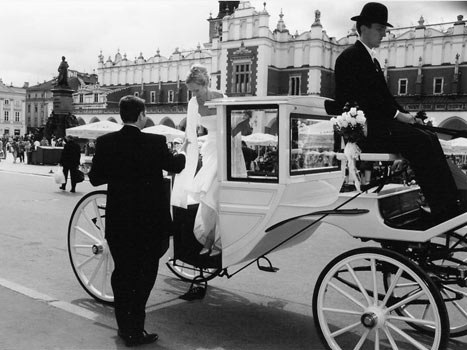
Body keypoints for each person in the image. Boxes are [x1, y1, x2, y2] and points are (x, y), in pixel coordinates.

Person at [334, 2, 461, 222]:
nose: (384, 33)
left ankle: (449, 202)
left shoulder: (369, 58)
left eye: (385, 29)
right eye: (380, 28)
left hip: (379, 126)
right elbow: (364, 100)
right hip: (367, 131)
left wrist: (410, 117)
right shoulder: (351, 57)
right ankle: (442, 206)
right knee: (420, 142)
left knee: (428, 136)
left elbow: (386, 98)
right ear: (363, 27)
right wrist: (397, 116)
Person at [88, 95, 186, 347]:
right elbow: (175, 165)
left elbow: (95, 179)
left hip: (120, 222)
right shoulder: (155, 141)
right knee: (144, 276)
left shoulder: (105, 142)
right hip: (149, 224)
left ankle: (125, 328)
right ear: (142, 115)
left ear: (122, 115)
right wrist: (185, 152)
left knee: (122, 275)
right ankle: (135, 328)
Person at [171, 64, 224, 256]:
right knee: (210, 193)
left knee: (215, 192)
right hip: (210, 146)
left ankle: (214, 240)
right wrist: (183, 150)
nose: (194, 94)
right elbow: (190, 131)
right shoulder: (193, 103)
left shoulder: (220, 97)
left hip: (225, 146)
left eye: (197, 90)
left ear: (206, 84)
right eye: (191, 91)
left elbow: (231, 122)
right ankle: (211, 239)